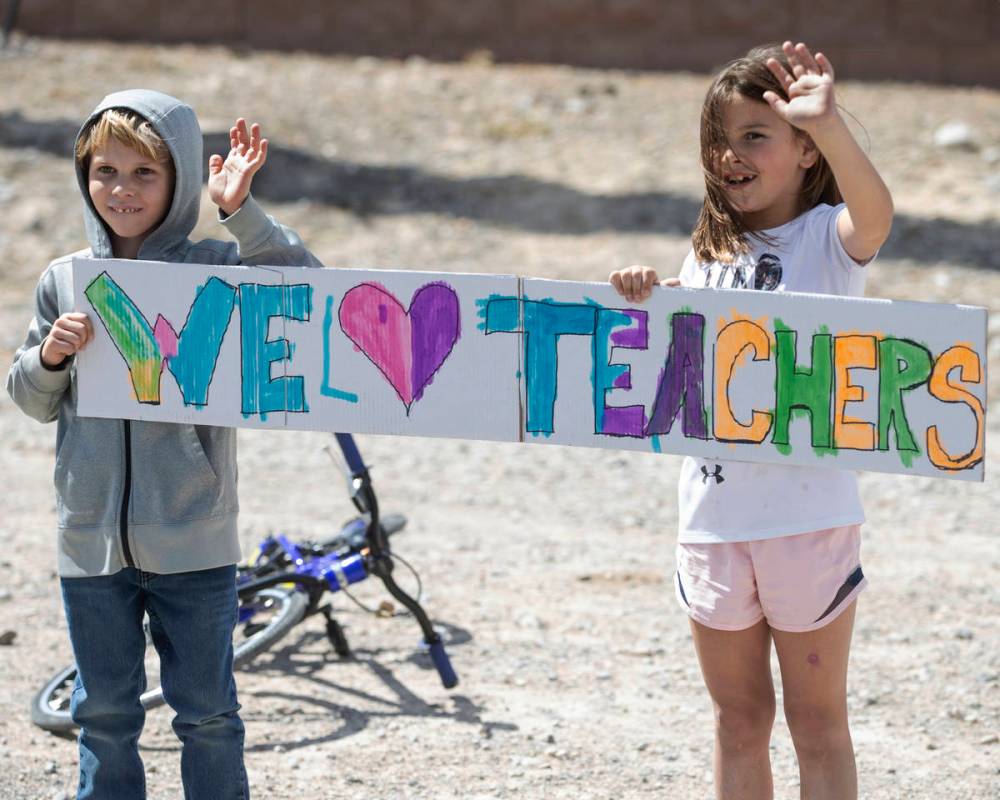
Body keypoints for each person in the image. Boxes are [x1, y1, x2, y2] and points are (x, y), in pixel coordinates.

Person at [6, 89, 323, 799]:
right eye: (104, 171)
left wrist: (240, 211)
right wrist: (50, 360)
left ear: (179, 178)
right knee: (104, 716)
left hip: (195, 543)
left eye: (144, 173)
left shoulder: (214, 266)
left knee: (208, 716)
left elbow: (310, 296)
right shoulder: (65, 280)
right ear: (83, 177)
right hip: (90, 547)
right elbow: (28, 400)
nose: (121, 190)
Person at [609, 42, 893, 800]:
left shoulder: (829, 239)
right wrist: (652, 294)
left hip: (808, 523)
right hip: (711, 520)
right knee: (738, 721)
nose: (730, 155)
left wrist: (828, 122)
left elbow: (878, 215)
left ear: (804, 152)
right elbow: (688, 347)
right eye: (720, 140)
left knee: (817, 723)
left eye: (755, 136)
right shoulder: (707, 248)